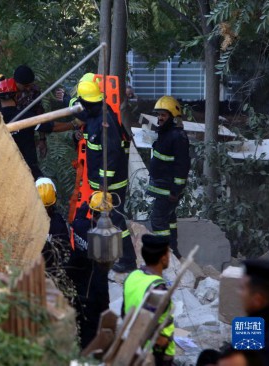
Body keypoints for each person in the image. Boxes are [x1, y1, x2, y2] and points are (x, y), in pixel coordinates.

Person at [73, 73, 137, 273]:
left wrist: (103, 182)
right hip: (98, 182)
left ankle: (128, 260)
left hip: (110, 184)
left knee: (116, 220)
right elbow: (79, 110)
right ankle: (103, 256)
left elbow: (112, 154)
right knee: (98, 218)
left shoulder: (105, 121)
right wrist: (67, 100)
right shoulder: (94, 113)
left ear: (88, 101)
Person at [147, 96, 190, 259]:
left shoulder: (177, 136)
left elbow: (182, 166)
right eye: (158, 115)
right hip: (163, 187)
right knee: (169, 219)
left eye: (163, 115)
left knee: (158, 220)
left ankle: (165, 256)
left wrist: (176, 189)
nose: (159, 118)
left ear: (172, 116)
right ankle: (173, 252)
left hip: (168, 189)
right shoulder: (167, 133)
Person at [122, 234, 174, 366]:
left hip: (132, 348)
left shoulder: (132, 276)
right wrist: (165, 342)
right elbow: (150, 331)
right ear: (163, 259)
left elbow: (124, 313)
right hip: (152, 356)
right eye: (168, 253)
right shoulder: (158, 289)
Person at [69, 201, 110, 350]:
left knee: (79, 329)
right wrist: (105, 305)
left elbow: (77, 219)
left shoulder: (80, 225)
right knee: (90, 337)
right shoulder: (102, 240)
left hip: (76, 287)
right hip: (91, 295)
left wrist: (84, 207)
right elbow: (100, 279)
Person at [0, 77, 43, 179]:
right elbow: (51, 126)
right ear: (17, 96)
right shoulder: (27, 117)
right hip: (30, 172)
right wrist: (74, 123)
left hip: (4, 175)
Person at [239, 259, 269, 366]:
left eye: (242, 289)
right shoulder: (253, 322)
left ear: (258, 300)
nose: (238, 294)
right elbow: (240, 354)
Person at [13, 65, 50, 158]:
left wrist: (42, 139)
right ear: (16, 82)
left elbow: (39, 114)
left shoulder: (34, 91)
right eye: (25, 86)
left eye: (30, 84)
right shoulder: (0, 90)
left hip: (27, 138)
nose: (29, 88)